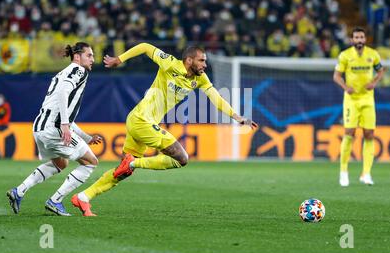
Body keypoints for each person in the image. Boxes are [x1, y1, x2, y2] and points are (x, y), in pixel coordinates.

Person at [71, 43, 258, 216]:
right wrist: (119, 59)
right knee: (181, 158)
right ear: (189, 60)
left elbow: (216, 98)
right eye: (201, 60)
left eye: (205, 61)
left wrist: (238, 117)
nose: (205, 65)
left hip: (142, 122)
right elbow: (145, 47)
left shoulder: (200, 79)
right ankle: (133, 163)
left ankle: (84, 197)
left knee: (122, 172)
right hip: (141, 120)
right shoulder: (169, 63)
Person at [6, 42, 103, 216]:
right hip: (55, 129)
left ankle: (18, 192)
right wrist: (65, 125)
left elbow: (60, 108)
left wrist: (86, 137)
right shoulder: (78, 70)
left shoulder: (62, 73)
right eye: (89, 55)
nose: (93, 59)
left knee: (61, 162)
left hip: (40, 128)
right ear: (77, 56)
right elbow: (62, 94)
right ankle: (55, 201)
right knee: (90, 162)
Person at [333, 27, 385, 186]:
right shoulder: (345, 56)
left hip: (368, 99)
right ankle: (343, 172)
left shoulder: (373, 55)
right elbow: (336, 76)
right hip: (351, 100)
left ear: (365, 39)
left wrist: (374, 82)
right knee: (349, 132)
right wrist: (345, 87)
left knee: (369, 134)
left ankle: (366, 174)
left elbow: (381, 71)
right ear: (352, 40)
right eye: (356, 37)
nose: (359, 40)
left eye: (362, 37)